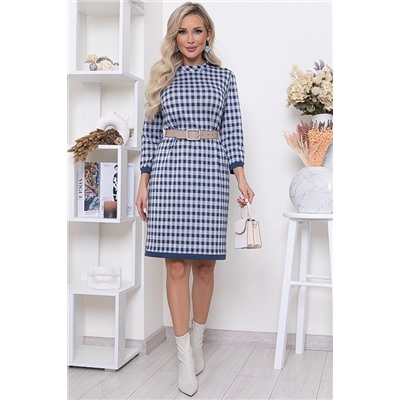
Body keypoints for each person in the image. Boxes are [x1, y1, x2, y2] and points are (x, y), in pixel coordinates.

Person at [135, 2, 254, 396]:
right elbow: (150, 134)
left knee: (204, 266)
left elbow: (233, 129)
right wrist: (143, 182)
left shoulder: (224, 78)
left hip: (210, 172)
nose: (190, 39)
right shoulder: (161, 76)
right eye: (182, 31)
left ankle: (198, 342)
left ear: (208, 35)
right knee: (174, 266)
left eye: (197, 31)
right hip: (169, 173)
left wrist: (241, 177)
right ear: (174, 36)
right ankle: (184, 357)